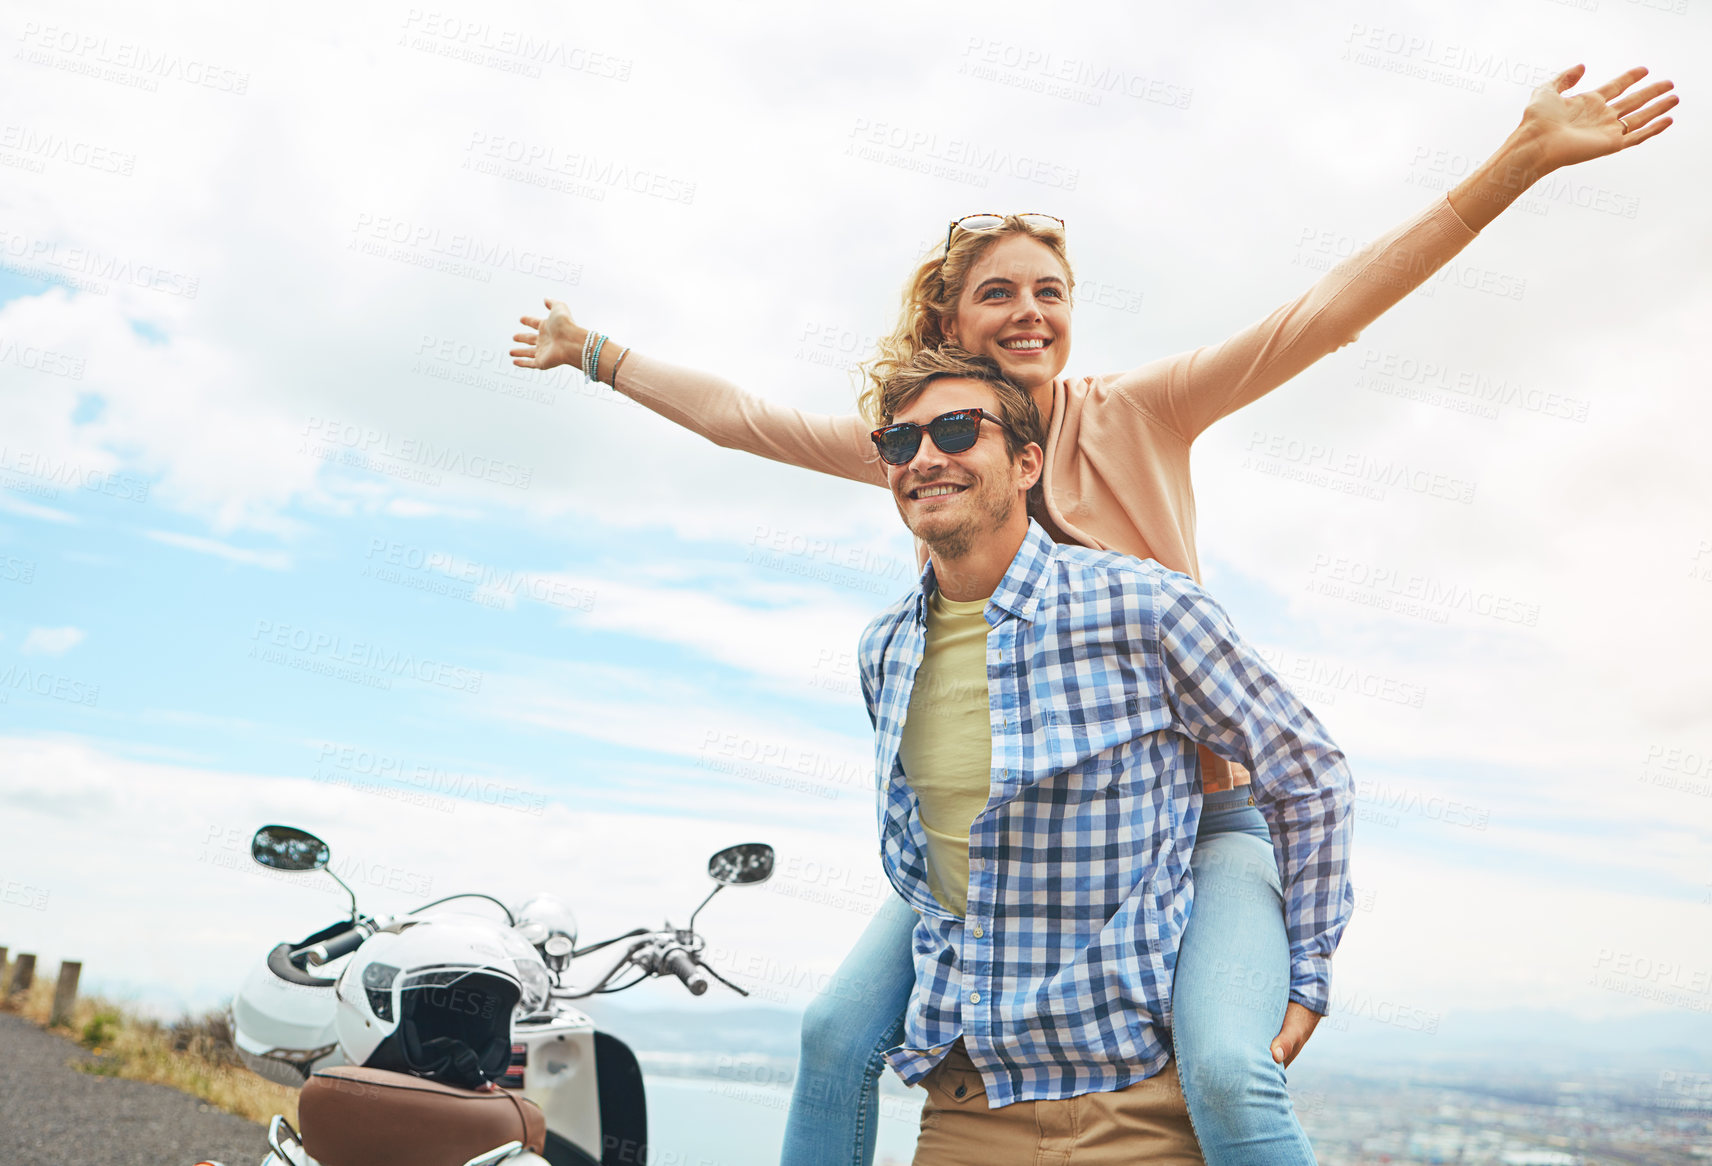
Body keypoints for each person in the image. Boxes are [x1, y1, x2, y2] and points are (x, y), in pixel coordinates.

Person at [509, 64, 1676, 1165]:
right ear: (950, 322)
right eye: (998, 293)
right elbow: (738, 418)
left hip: (1205, 818)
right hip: (1015, 847)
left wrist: (1516, 159)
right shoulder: (930, 445)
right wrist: (593, 352)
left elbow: (1326, 311)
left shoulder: (1140, 411)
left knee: (1226, 1067)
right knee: (829, 1036)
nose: (1029, 312)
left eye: (1049, 293)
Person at [861, 345, 1352, 1164]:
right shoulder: (886, 652)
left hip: (1137, 1108)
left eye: (955, 429)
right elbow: (934, 874)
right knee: (828, 1037)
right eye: (900, 442)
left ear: (1027, 464)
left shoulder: (1144, 608)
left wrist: (1307, 973)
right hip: (968, 1110)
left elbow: (1306, 769)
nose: (926, 458)